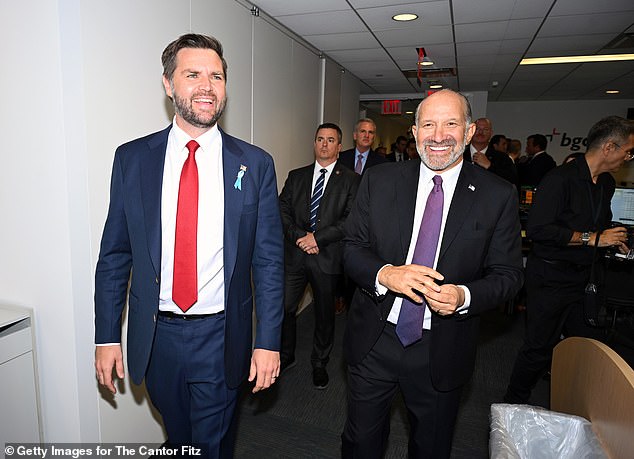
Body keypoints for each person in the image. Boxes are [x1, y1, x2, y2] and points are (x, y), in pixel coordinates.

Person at [94, 34, 284, 457]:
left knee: (211, 443)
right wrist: (106, 336)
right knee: (178, 438)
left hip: (221, 335)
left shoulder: (254, 165)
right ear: (167, 83)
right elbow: (115, 255)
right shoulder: (132, 159)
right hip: (157, 335)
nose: (207, 85)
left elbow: (269, 262)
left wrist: (268, 341)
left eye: (216, 76)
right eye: (193, 74)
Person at [341, 89, 523, 458]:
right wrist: (384, 274)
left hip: (442, 348)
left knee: (431, 446)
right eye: (428, 124)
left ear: (470, 131)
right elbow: (351, 249)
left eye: (451, 123)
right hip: (374, 339)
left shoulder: (497, 195)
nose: (438, 135)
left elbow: (508, 275)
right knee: (360, 442)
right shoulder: (380, 181)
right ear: (415, 129)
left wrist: (463, 297)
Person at [504, 116, 634, 405]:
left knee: (588, 347)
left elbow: (601, 224)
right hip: (550, 279)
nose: (629, 157)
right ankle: (511, 406)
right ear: (609, 147)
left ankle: (577, 405)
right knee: (538, 348)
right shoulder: (559, 179)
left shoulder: (607, 183)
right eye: (627, 150)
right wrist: (592, 238)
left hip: (586, 279)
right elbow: (538, 229)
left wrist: (614, 242)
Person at [279, 123, 360, 388]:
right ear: (314, 144)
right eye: (320, 139)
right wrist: (301, 238)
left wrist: (318, 238)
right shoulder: (296, 176)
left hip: (327, 257)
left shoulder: (351, 179)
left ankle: (319, 363)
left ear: (339, 146)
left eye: (331, 140)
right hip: (295, 255)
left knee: (324, 315)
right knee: (285, 308)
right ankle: (286, 355)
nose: (324, 144)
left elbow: (351, 220)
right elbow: (281, 211)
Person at [463, 118, 517, 184]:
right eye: (477, 129)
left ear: (491, 133)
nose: (481, 132)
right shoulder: (460, 155)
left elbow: (511, 180)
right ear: (471, 131)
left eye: (485, 130)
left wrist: (489, 166)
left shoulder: (503, 158)